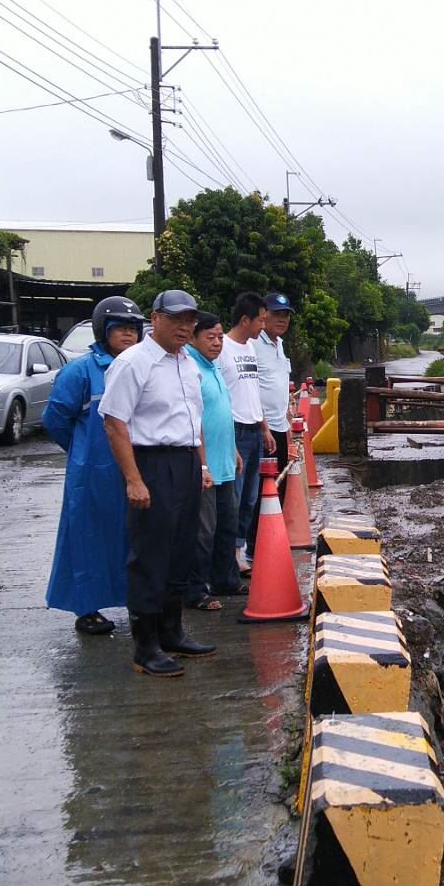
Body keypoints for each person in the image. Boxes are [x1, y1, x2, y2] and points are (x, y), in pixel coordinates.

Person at [99, 289, 216, 678]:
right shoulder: (134, 363)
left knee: (182, 551)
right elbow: (115, 422)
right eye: (176, 319)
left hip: (184, 462)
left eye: (190, 320)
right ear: (155, 318)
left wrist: (200, 467)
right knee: (150, 555)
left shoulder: (188, 363)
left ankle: (172, 632)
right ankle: (145, 647)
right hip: (151, 462)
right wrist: (134, 479)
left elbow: (192, 419)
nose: (185, 327)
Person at [43, 296, 145, 635]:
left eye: (133, 329)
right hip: (92, 473)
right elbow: (55, 419)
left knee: (131, 539)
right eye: (121, 329)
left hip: (133, 469)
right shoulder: (81, 371)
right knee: (86, 539)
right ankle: (86, 609)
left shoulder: (140, 367)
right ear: (104, 331)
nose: (129, 336)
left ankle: (136, 601)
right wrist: (81, 451)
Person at [184, 311, 243, 611]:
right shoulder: (190, 367)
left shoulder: (214, 367)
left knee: (226, 526)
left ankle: (225, 580)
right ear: (194, 338)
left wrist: (233, 450)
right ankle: (195, 590)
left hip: (224, 462)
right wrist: (203, 465)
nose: (218, 342)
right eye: (210, 337)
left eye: (220, 337)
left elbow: (221, 413)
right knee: (202, 531)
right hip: (204, 467)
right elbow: (194, 422)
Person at [221, 292, 272, 573]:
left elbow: (253, 391)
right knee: (235, 497)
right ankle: (228, 556)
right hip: (236, 433)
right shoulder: (223, 349)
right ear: (245, 320)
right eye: (260, 321)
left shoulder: (250, 349)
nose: (263, 326)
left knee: (251, 498)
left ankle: (240, 551)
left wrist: (264, 427)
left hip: (255, 431)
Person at [254, 293, 296, 465]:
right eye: (276, 314)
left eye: (285, 315)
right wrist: (263, 428)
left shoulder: (279, 343)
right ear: (264, 315)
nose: (282, 320)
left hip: (280, 427)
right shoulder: (253, 344)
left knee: (279, 486)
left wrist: (287, 426)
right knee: (264, 487)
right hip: (262, 429)